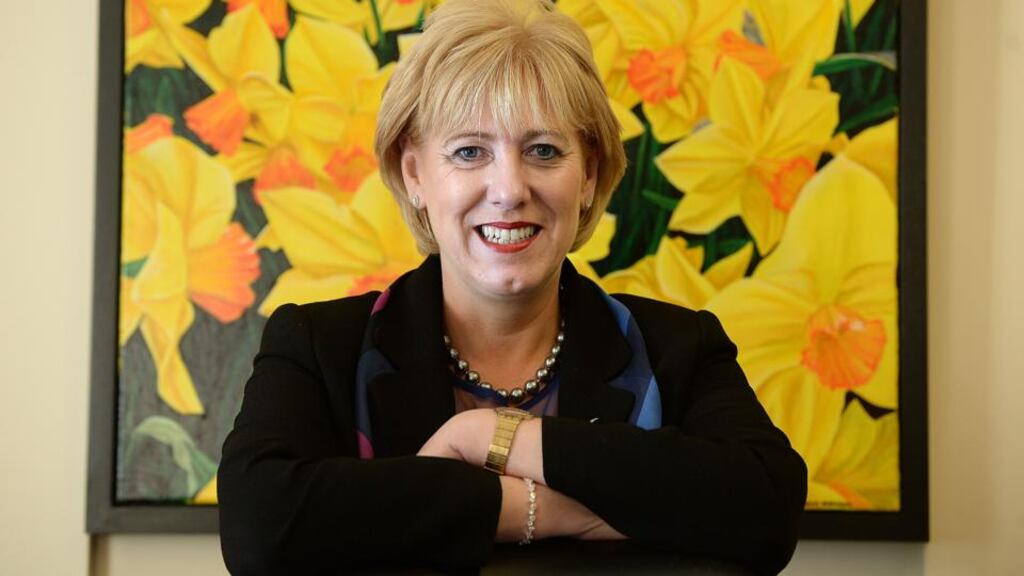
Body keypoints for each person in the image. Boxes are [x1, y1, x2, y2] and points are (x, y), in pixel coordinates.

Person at [218, 0, 807, 574]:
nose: (509, 188)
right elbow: (261, 529)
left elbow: (768, 509)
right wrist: (538, 511)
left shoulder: (679, 346)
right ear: (415, 173)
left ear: (590, 174)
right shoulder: (318, 344)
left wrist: (491, 435)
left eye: (543, 151)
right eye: (470, 151)